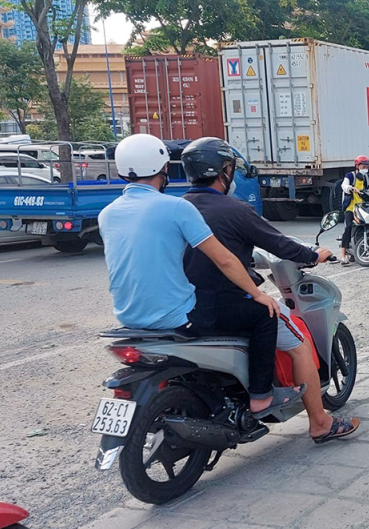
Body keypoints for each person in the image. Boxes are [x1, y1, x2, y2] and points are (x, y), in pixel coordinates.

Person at [98, 134, 303, 420]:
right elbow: (224, 259)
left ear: (121, 170)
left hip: (128, 318)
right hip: (178, 317)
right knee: (264, 314)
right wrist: (258, 294)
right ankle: (261, 397)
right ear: (164, 169)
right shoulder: (176, 207)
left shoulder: (107, 214)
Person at [181, 137, 359, 443]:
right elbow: (276, 242)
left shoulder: (179, 207)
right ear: (225, 170)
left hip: (184, 307)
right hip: (224, 306)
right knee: (293, 337)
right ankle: (317, 421)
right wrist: (313, 255)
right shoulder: (234, 209)